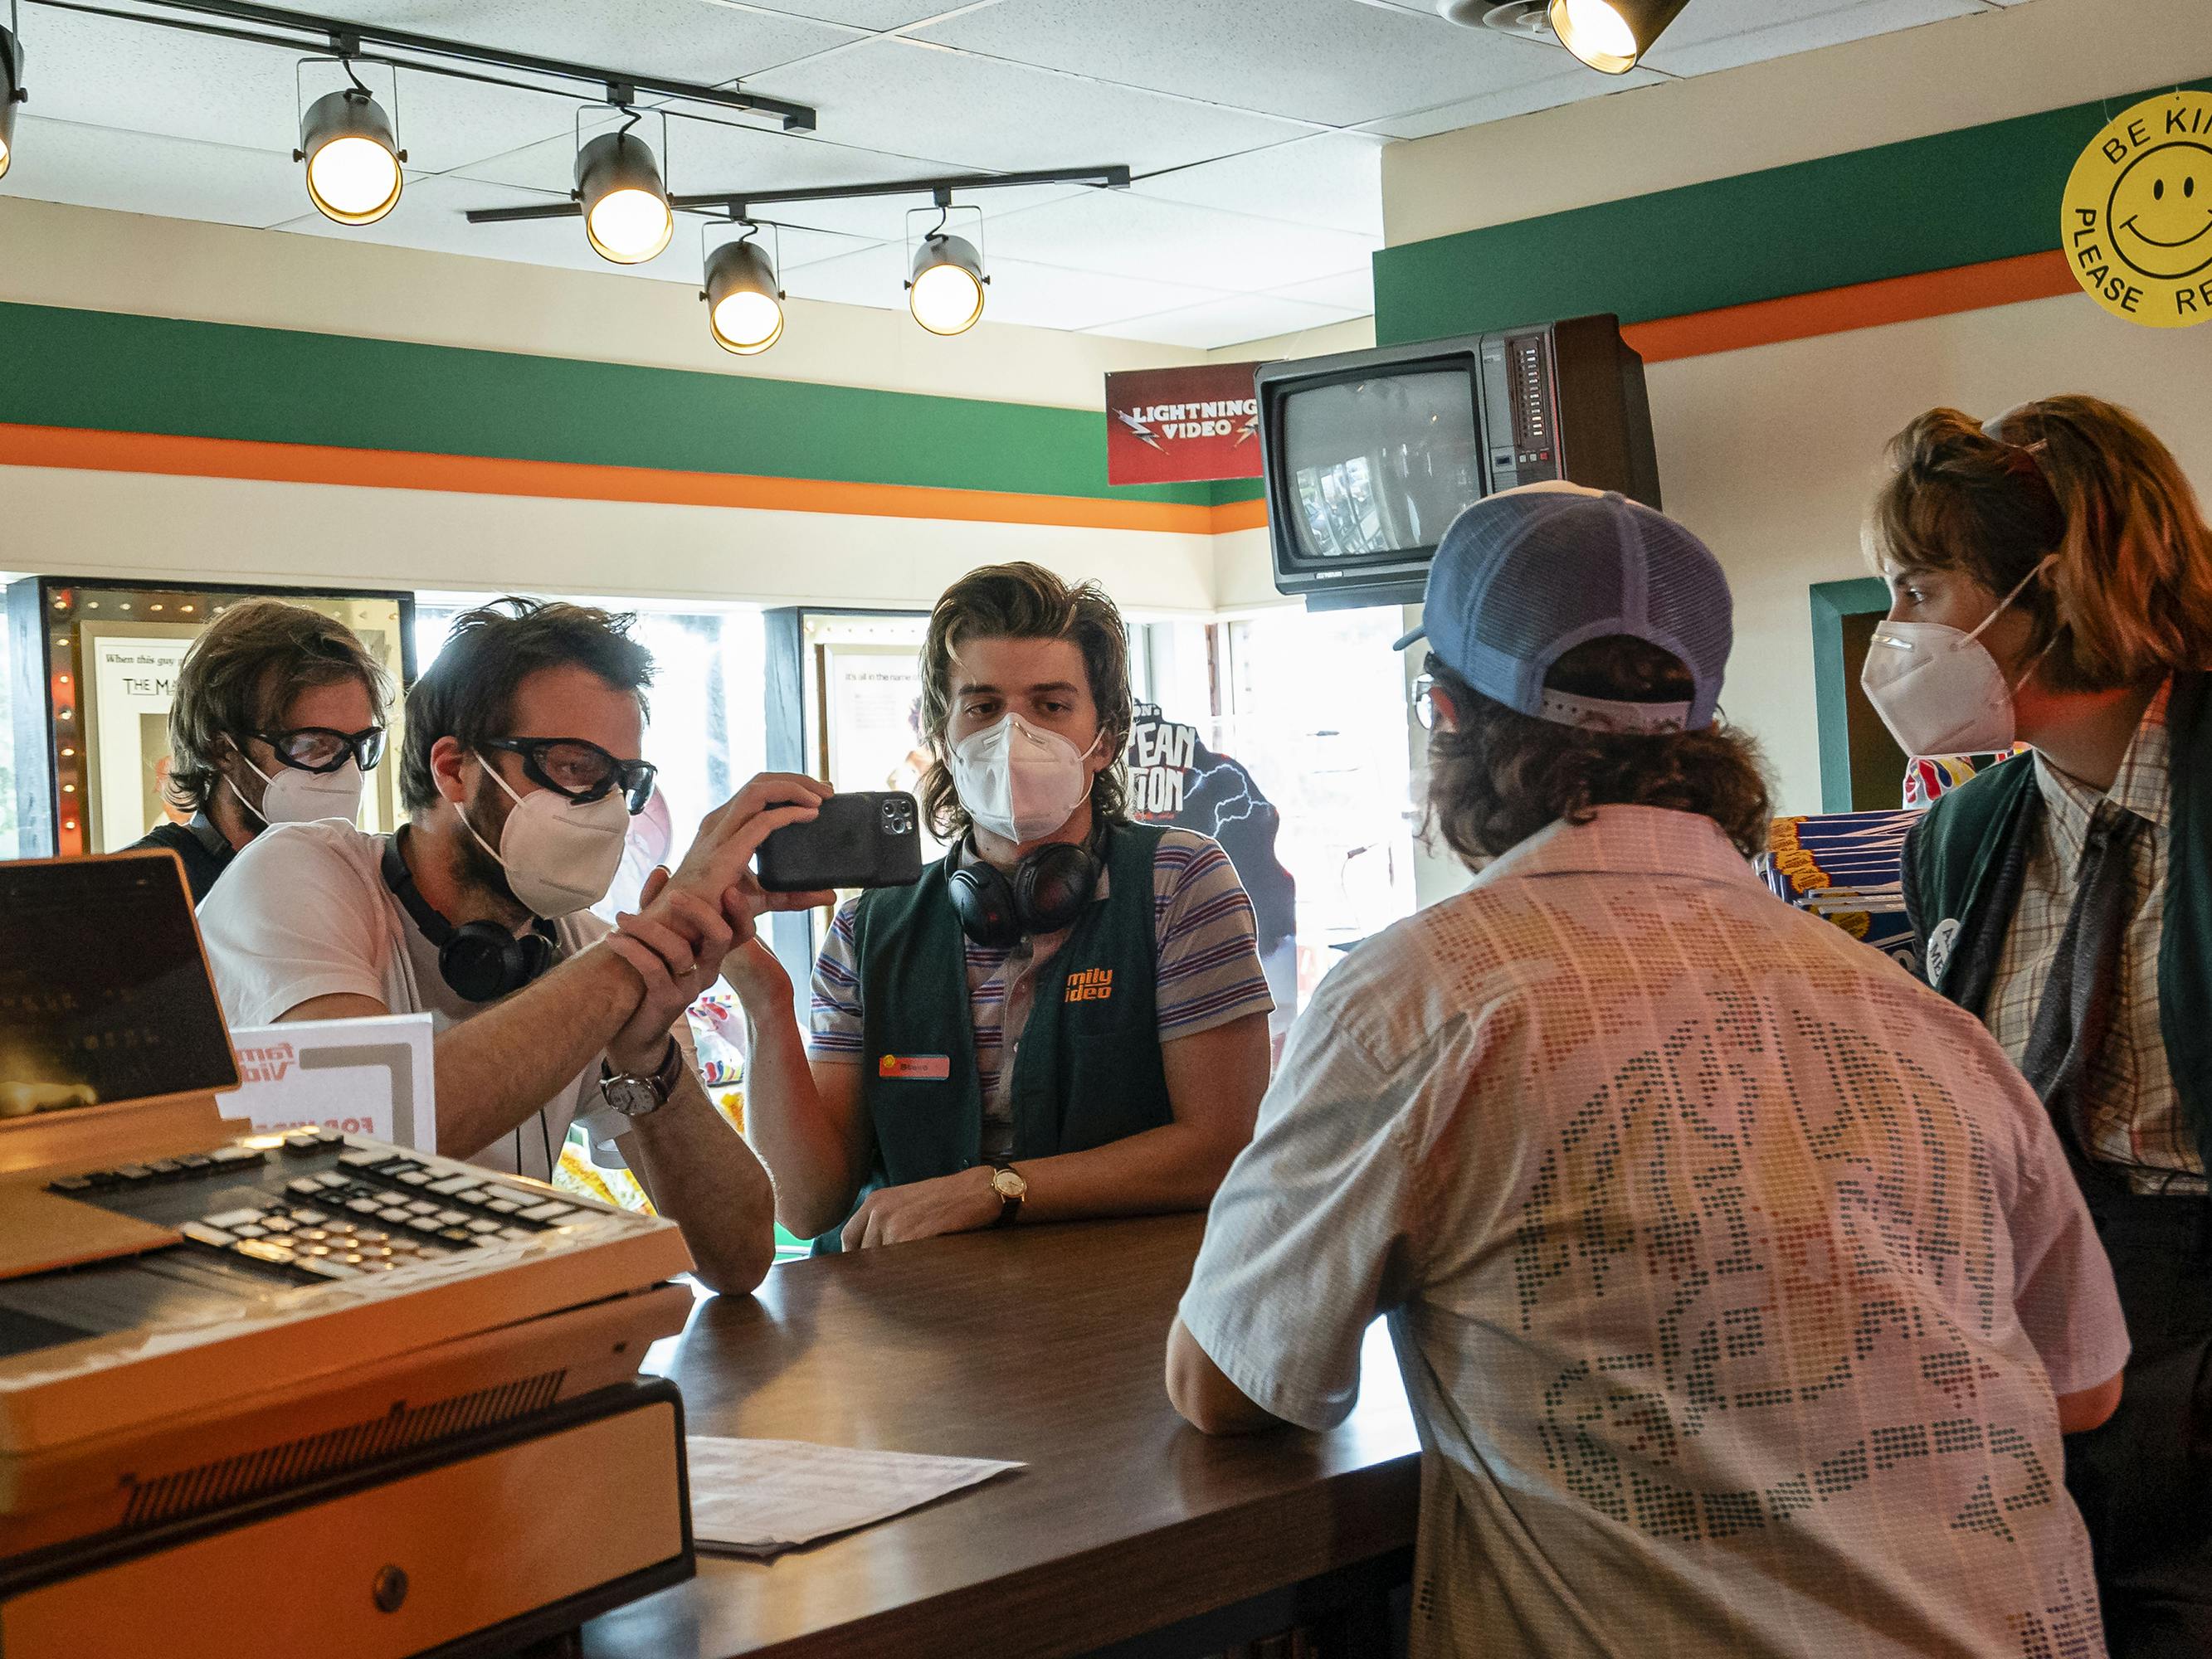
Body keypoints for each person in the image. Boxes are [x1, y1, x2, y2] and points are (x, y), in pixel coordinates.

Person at [1167, 484, 2128, 1659]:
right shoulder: (1916, 1019)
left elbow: (1232, 1383)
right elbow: (2081, 1389)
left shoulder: (1420, 997)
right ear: (1703, 733)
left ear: (1447, 717)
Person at [197, 598, 826, 1296]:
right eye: (573, 767)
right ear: (453, 770)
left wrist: (645, 1059)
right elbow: (370, 1138)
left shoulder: (587, 951)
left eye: (624, 781)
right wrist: (643, 950)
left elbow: (737, 1258)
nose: (608, 807)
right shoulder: (302, 874)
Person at [1866, 397, 2212, 1657]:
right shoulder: (1962, 834)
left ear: (2050, 583)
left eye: (1918, 586)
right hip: (2035, 1330)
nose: (1894, 632)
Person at [732, 562, 1274, 1250]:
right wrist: (763, 1001)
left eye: (1051, 706)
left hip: (1126, 1302)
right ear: (943, 737)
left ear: (1104, 739)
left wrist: (995, 1190)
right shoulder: (869, 927)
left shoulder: (1178, 882)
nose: (1012, 736)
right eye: (983, 707)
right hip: (920, 1316)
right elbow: (808, 1207)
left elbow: (1223, 1148)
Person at [127, 597, 391, 901]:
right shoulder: (143, 892)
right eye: (312, 745)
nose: (348, 773)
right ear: (223, 749)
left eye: (362, 744)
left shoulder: (364, 883)